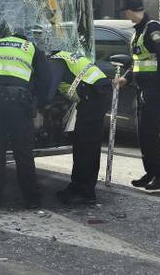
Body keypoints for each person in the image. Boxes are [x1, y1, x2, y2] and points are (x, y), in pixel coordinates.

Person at [0, 26, 51, 209]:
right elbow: (45, 79)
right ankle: (31, 199)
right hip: (18, 103)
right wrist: (39, 104)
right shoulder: (30, 47)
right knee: (23, 152)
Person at [116, 0, 160, 190]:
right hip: (142, 90)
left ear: (132, 10)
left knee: (150, 133)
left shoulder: (153, 29)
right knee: (143, 135)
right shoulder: (138, 32)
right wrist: (126, 78)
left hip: (155, 90)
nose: (125, 15)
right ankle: (150, 172)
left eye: (126, 11)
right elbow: (138, 62)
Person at [47, 50, 110, 205]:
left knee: (87, 146)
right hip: (93, 95)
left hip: (95, 96)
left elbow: (48, 92)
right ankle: (76, 186)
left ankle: (86, 192)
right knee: (80, 143)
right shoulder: (64, 57)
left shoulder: (56, 63)